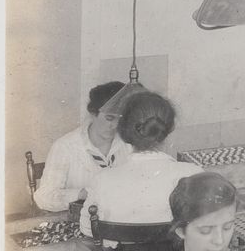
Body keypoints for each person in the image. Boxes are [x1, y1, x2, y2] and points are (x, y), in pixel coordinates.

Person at [80, 89, 201, 237]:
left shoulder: (102, 180)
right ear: (169, 128)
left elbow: (88, 229)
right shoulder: (194, 174)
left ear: (124, 132)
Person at [34, 80, 131, 212]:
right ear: (93, 114)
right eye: (109, 118)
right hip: (77, 224)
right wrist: (81, 194)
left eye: (121, 119)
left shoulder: (128, 144)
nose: (115, 125)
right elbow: (44, 197)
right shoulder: (65, 147)